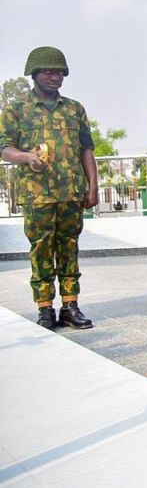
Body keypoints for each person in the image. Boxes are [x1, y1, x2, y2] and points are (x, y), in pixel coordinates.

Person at [0, 47, 98, 329]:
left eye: (59, 72)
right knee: (40, 249)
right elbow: (5, 148)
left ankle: (70, 306)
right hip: (37, 193)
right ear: (35, 74)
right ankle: (45, 308)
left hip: (71, 192)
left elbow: (87, 150)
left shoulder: (74, 109)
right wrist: (27, 157)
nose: (56, 77)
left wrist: (92, 186)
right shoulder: (16, 110)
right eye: (49, 72)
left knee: (69, 247)